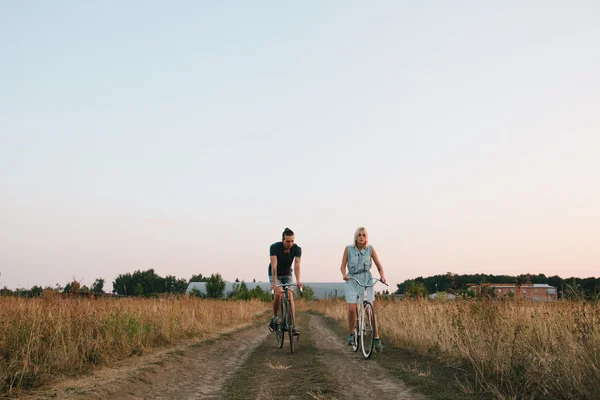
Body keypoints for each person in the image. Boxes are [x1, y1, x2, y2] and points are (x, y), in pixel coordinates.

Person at [340, 227, 387, 352]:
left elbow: (379, 266)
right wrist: (344, 274)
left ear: (366, 237)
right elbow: (342, 266)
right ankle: (351, 334)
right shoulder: (348, 249)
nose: (361, 237)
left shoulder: (370, 249)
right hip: (352, 280)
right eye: (359, 235)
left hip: (367, 280)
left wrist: (382, 276)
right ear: (356, 236)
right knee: (352, 309)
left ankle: (376, 338)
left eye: (364, 235)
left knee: (369, 311)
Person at [268, 227, 303, 334]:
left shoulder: (297, 249)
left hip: (287, 274)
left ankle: (292, 325)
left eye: (292, 241)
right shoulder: (274, 247)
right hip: (276, 274)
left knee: (290, 296)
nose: (290, 243)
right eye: (288, 241)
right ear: (283, 240)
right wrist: (275, 283)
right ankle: (274, 317)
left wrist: (298, 281)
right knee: (278, 294)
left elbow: (297, 264)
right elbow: (274, 266)